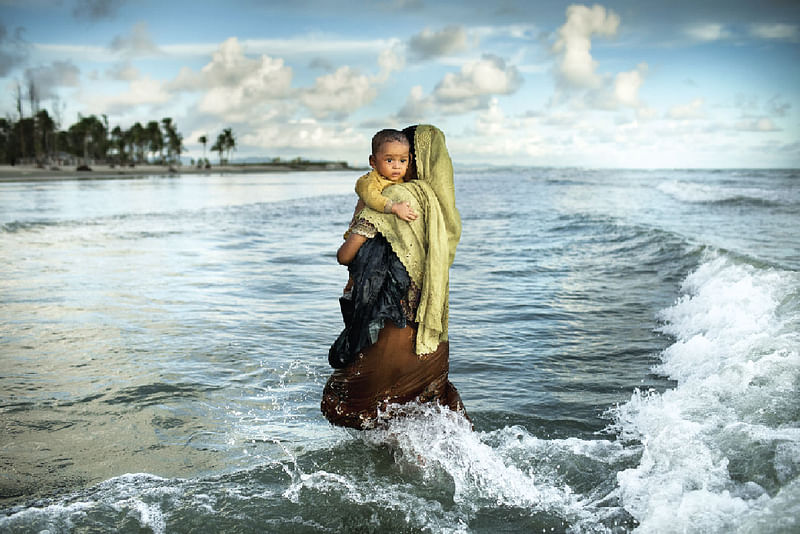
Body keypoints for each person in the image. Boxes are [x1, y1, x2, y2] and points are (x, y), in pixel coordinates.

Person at [321, 124, 468, 430]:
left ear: (415, 159)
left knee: (351, 404)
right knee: (427, 418)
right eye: (394, 159)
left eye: (406, 158)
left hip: (393, 326)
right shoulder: (437, 207)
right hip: (430, 331)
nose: (400, 165)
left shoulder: (394, 197)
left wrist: (362, 220)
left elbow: (346, 256)